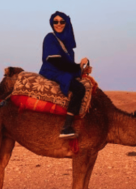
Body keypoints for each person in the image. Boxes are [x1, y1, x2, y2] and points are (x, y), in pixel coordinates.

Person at [39, 11, 90, 139]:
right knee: (79, 89)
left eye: (62, 22)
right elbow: (56, 62)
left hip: (62, 71)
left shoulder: (68, 47)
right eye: (55, 22)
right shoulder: (50, 38)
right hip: (52, 71)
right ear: (52, 23)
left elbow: (68, 66)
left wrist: (81, 69)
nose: (58, 24)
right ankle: (66, 127)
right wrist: (78, 66)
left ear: (66, 24)